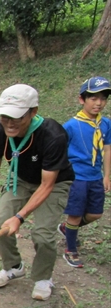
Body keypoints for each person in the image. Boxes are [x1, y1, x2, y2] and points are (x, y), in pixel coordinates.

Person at [0, 84, 74, 300]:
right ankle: (13, 267)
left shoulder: (52, 135)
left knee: (42, 234)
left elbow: (47, 185)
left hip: (54, 184)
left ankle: (42, 278)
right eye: (4, 116)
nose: (9, 123)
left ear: (33, 112)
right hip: (20, 179)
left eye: (16, 117)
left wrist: (20, 217)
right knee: (0, 225)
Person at [57, 76, 111, 267]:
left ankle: (66, 228)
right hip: (77, 177)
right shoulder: (70, 126)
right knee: (75, 214)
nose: (99, 103)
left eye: (103, 98)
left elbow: (107, 149)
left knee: (96, 213)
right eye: (94, 98)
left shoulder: (105, 124)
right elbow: (60, 152)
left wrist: (107, 176)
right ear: (82, 99)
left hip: (96, 176)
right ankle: (70, 250)